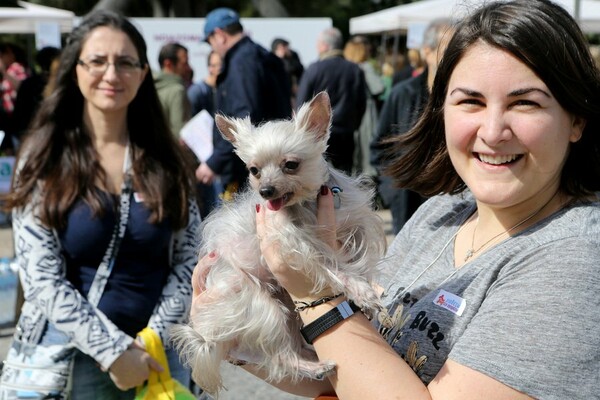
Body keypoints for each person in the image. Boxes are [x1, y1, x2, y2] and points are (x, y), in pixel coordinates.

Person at [197, 0, 600, 398]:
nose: (493, 131)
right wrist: (235, 338)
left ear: (576, 119)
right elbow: (344, 368)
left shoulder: (574, 260)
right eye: (471, 101)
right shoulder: (439, 215)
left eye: (524, 102)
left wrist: (316, 295)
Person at [0, 9, 201, 398]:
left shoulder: (167, 160)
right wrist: (113, 350)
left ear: (143, 73)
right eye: (97, 61)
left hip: (159, 359)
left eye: (126, 63)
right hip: (68, 361)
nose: (112, 74)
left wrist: (148, 343)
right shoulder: (44, 159)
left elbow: (190, 261)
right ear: (75, 68)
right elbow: (41, 278)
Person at [196, 7, 292, 199]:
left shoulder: (241, 62)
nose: (212, 47)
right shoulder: (259, 55)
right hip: (273, 162)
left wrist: (215, 162)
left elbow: (243, 119)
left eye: (210, 42)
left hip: (249, 173)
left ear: (220, 35)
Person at [371, 19, 454, 234]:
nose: (456, 56)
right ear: (427, 51)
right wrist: (392, 191)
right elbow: (380, 146)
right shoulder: (403, 94)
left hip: (453, 201)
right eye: (449, 49)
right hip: (408, 203)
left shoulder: (466, 96)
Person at [296, 27, 367, 175]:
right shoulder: (354, 69)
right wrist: (355, 125)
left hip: (317, 133)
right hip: (346, 131)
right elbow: (361, 103)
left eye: (318, 43)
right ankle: (339, 197)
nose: (317, 47)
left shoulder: (314, 69)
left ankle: (324, 198)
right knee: (344, 174)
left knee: (319, 174)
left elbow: (301, 103)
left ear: (325, 46)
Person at [343, 35, 385, 177]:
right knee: (367, 144)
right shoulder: (365, 67)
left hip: (349, 111)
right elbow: (379, 88)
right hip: (366, 110)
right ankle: (368, 175)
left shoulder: (346, 68)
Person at [11, 46, 61, 147]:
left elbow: (18, 114)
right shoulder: (63, 84)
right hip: (46, 137)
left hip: (31, 136)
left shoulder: (28, 84)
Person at [154, 42, 193, 138]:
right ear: (169, 64)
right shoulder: (177, 91)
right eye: (185, 63)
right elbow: (180, 135)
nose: (188, 68)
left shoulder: (147, 87)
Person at [0, 42, 29, 154]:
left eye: (3, 55)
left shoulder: (17, 68)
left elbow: (22, 88)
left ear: (11, 54)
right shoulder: (8, 70)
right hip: (7, 116)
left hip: (17, 117)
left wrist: (3, 72)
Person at [271, 37, 304, 109]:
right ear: (280, 47)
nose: (288, 49)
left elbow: (300, 69)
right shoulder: (271, 59)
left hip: (292, 94)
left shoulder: (292, 57)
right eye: (286, 47)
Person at [187, 50, 221, 118]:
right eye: (216, 65)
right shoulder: (196, 91)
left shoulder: (228, 91)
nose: (220, 68)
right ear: (210, 67)